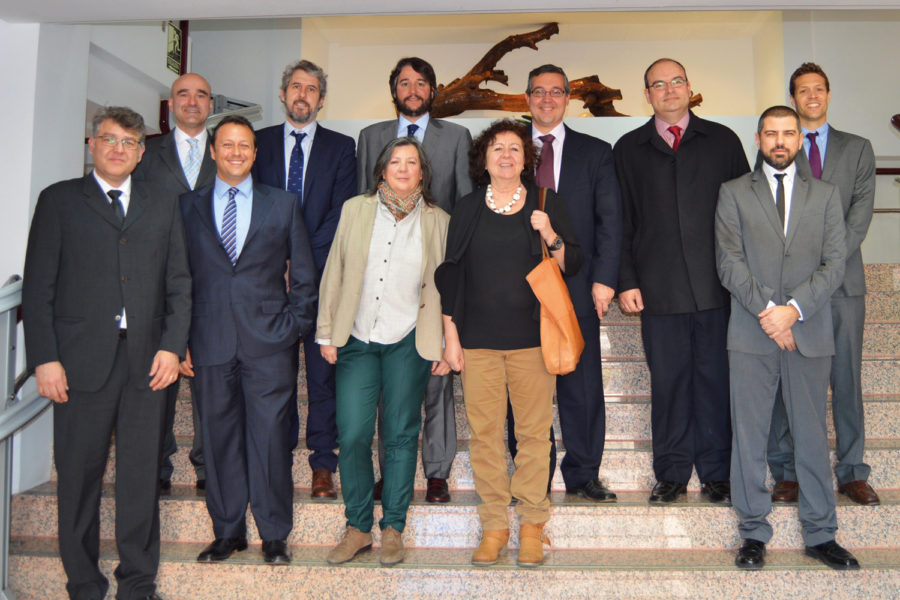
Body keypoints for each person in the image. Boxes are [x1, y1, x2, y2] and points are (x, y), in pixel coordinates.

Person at [23, 106, 191, 600]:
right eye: (109, 139)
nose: (119, 148)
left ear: (141, 154)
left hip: (147, 363)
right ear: (91, 145)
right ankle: (83, 584)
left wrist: (171, 346)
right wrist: (44, 358)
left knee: (140, 480)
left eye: (129, 142)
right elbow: (38, 289)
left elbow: (180, 284)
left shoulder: (165, 203)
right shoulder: (58, 202)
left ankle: (138, 583)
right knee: (78, 478)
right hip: (77, 364)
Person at [717, 105, 858, 571]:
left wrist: (793, 311)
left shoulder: (827, 195)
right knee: (750, 438)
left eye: (789, 133)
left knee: (812, 438)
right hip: (752, 333)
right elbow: (729, 263)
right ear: (757, 139)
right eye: (771, 133)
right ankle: (753, 533)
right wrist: (769, 313)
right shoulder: (734, 193)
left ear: (800, 139)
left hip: (808, 331)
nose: (780, 141)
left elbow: (834, 264)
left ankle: (821, 534)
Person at [437, 120, 583, 567]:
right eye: (497, 148)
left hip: (532, 344)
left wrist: (549, 234)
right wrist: (451, 337)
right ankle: (495, 526)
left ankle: (533, 526)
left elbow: (573, 261)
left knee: (534, 436)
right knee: (484, 437)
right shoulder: (466, 209)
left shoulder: (545, 202)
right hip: (478, 344)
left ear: (527, 159)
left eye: (515, 149)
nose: (506, 156)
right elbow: (450, 276)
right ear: (484, 159)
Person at [179, 115, 317, 566]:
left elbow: (303, 274)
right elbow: (177, 278)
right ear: (214, 152)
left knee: (272, 439)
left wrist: (295, 324)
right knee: (218, 440)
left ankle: (274, 533)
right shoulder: (187, 207)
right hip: (210, 339)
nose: (236, 152)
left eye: (245, 145)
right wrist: (178, 339)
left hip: (270, 341)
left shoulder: (283, 203)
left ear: (255, 154)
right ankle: (228, 531)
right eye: (227, 145)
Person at [614, 58, 749, 504]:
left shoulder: (723, 142)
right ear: (647, 95)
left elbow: (746, 217)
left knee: (715, 381)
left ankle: (717, 473)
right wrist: (626, 280)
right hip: (657, 289)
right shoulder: (628, 149)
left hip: (717, 287)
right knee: (668, 382)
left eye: (677, 81)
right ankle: (671, 472)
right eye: (659, 84)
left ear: (690, 87)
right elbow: (621, 222)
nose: (669, 90)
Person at [317, 137, 450, 567]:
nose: (404, 168)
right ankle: (357, 528)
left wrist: (446, 343)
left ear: (423, 172)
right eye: (396, 161)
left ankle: (393, 528)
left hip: (409, 341)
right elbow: (334, 268)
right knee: (353, 434)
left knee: (400, 435)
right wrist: (326, 333)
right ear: (381, 169)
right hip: (356, 338)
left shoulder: (438, 221)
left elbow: (446, 289)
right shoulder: (355, 210)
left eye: (412, 162)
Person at [357, 56, 473, 503]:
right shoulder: (370, 138)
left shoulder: (457, 137)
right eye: (403, 82)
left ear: (432, 90)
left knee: (437, 378)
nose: (411, 89)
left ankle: (438, 472)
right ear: (394, 89)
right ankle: (391, 470)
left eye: (420, 82)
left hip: (435, 267)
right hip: (383, 272)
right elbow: (360, 202)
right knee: (390, 387)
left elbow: (464, 203)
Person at [768, 62, 878, 506]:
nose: (811, 96)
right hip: (788, 290)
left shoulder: (859, 149)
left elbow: (859, 219)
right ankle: (787, 470)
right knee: (786, 380)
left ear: (828, 95)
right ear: (792, 98)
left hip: (843, 286)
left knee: (846, 380)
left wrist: (825, 269)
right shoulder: (778, 147)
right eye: (802, 90)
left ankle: (852, 471)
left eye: (819, 89)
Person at [514, 63, 622, 501]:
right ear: (526, 99)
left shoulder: (596, 152)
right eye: (538, 92)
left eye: (556, 92)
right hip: (518, 287)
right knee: (522, 389)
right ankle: (531, 474)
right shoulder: (507, 149)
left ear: (568, 98)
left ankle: (583, 473)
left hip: (576, 283)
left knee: (580, 384)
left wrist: (605, 280)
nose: (546, 99)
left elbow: (610, 222)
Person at [253, 59, 357, 499]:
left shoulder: (340, 146)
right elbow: (252, 203)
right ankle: (276, 455)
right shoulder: (258, 144)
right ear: (283, 94)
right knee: (275, 376)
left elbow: (341, 210)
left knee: (321, 376)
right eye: (295, 86)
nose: (302, 94)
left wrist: (303, 261)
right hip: (267, 280)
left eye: (311, 89)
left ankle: (321, 463)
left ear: (321, 98)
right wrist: (280, 258)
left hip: (321, 278)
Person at [134, 72, 215, 493]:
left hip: (212, 284)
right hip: (157, 286)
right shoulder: (146, 153)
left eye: (201, 95)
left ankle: (206, 466)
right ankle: (157, 466)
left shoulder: (227, 151)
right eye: (183, 94)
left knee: (208, 378)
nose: (192, 101)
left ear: (211, 106)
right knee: (158, 380)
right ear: (170, 104)